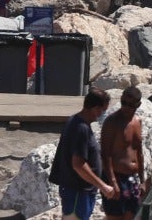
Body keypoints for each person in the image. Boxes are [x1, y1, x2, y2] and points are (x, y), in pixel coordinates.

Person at [51, 90, 117, 220]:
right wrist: (102, 186)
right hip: (77, 191)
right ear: (95, 108)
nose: (102, 114)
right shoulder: (81, 129)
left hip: (80, 191)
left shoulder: (75, 121)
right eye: (102, 110)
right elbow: (78, 165)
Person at [100, 87, 146, 220]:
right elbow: (105, 154)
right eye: (123, 102)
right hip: (116, 177)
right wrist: (113, 182)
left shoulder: (138, 122)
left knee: (132, 216)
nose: (125, 107)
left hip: (133, 179)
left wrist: (142, 180)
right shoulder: (111, 122)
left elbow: (139, 152)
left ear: (138, 105)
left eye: (130, 105)